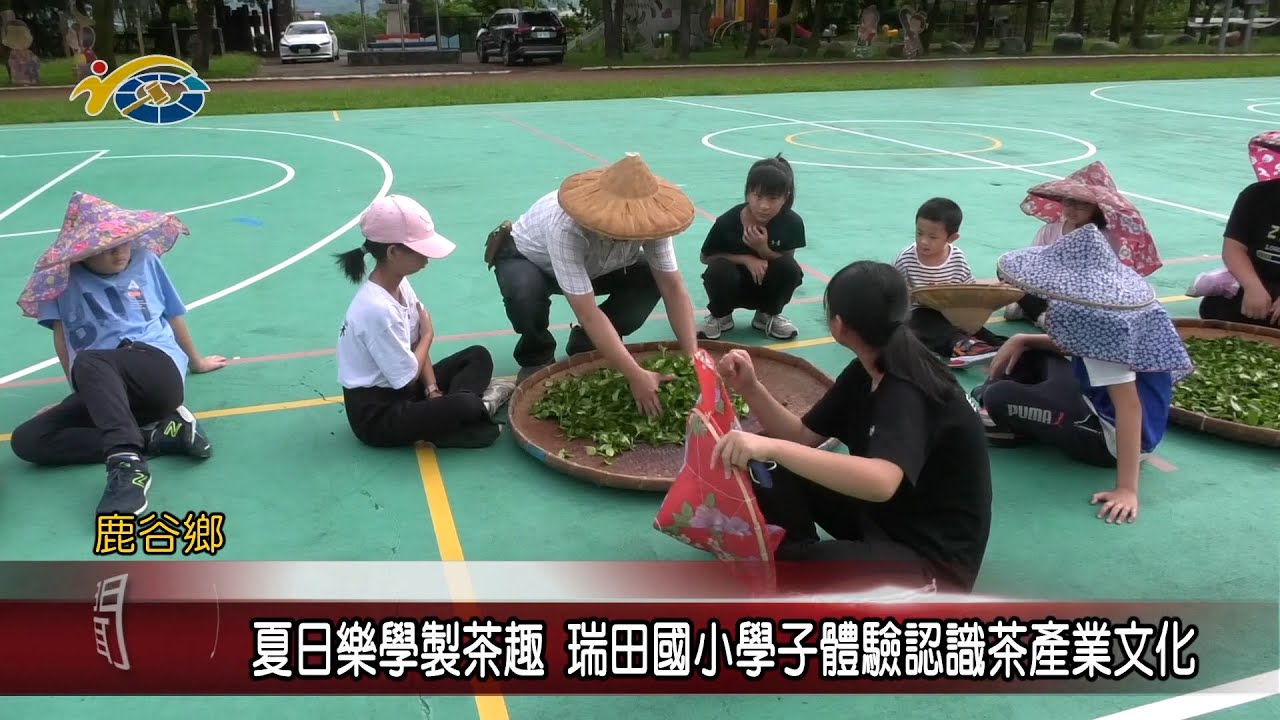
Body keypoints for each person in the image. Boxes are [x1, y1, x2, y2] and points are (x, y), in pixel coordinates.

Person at [708, 260, 993, 594]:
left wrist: (772, 446)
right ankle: (804, 553)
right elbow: (802, 436)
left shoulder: (906, 387)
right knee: (766, 466)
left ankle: (803, 562)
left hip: (933, 561)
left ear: (839, 325)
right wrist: (750, 387)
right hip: (885, 519)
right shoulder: (868, 369)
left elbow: (881, 481)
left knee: (782, 558)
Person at [10, 192, 226, 517]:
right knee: (28, 439)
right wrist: (79, 394)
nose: (120, 253)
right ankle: (163, 437)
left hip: (156, 370)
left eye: (124, 242)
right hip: (107, 386)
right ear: (84, 251)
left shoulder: (145, 261)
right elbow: (63, 338)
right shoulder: (63, 282)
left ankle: (127, 465)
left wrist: (196, 362)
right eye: (109, 248)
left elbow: (173, 314)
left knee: (92, 360)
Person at [976, 225, 1193, 525]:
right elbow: (1072, 349)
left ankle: (1013, 418)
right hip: (1094, 399)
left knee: (997, 397)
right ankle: (1024, 409)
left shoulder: (1099, 322)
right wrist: (1022, 339)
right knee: (1028, 354)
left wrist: (1127, 489)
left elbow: (1128, 407)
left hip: (1109, 439)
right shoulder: (1107, 302)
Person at [488, 152, 700, 416]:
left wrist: (694, 358)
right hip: (531, 262)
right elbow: (587, 311)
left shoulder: (651, 222)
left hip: (598, 267)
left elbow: (673, 287)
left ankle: (586, 342)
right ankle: (537, 356)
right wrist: (635, 374)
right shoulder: (566, 227)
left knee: (649, 277)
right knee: (525, 293)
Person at [335, 195, 514, 450]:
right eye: (420, 252)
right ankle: (473, 409)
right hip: (378, 414)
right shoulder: (376, 310)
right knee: (466, 406)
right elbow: (408, 376)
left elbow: (415, 340)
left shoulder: (400, 284)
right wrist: (429, 335)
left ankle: (455, 416)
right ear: (393, 252)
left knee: (478, 356)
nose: (427, 260)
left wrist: (432, 389)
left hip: (407, 386)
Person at [1006, 161, 1162, 326]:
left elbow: (1114, 276)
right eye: (1068, 202)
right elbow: (1033, 263)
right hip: (1050, 287)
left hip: (1087, 292)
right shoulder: (1050, 230)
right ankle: (1041, 313)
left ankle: (1040, 315)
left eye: (1081, 205)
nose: (1072, 209)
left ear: (1098, 208)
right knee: (1009, 274)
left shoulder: (1108, 237)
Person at [697, 154, 806, 341]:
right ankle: (721, 316)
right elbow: (705, 257)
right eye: (758, 196)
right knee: (720, 269)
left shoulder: (791, 222)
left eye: (773, 198)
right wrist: (746, 259)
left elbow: (787, 260)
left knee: (789, 268)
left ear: (785, 198)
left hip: (766, 286)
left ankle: (767, 315)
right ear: (748, 192)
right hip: (731, 286)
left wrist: (762, 249)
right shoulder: (727, 222)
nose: (764, 206)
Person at [895, 197, 1002, 366]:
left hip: (951, 311)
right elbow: (896, 295)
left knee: (972, 326)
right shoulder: (906, 258)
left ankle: (999, 346)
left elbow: (968, 289)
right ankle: (963, 347)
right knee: (926, 324)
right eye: (919, 233)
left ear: (951, 238)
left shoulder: (957, 258)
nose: (923, 241)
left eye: (932, 236)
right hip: (920, 314)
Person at [1193, 131, 1280, 327]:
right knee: (1215, 308)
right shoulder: (1256, 195)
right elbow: (1233, 248)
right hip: (1257, 279)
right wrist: (1252, 287)